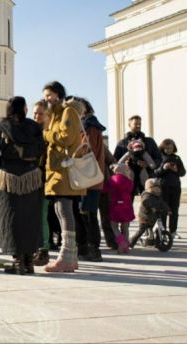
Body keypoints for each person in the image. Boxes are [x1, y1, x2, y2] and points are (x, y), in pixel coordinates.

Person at [0, 97, 45, 274]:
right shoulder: (34, 127)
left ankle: (18, 262)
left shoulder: (1, 127)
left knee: (10, 219)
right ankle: (29, 262)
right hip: (31, 178)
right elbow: (42, 148)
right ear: (24, 109)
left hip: (7, 179)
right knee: (31, 218)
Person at [42, 81, 86, 273]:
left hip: (65, 171)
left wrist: (46, 134)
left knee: (64, 211)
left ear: (58, 95)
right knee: (61, 211)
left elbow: (66, 137)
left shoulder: (68, 112)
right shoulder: (57, 114)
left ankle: (66, 257)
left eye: (49, 95)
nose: (47, 99)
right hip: (58, 171)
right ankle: (71, 257)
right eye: (45, 96)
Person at [73, 97, 105, 262]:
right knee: (88, 214)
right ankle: (89, 248)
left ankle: (92, 249)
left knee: (87, 215)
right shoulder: (92, 125)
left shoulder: (88, 126)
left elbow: (85, 150)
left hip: (87, 179)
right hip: (92, 178)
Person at [30, 99, 53, 265]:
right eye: (35, 114)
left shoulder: (50, 134)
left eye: (40, 114)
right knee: (33, 215)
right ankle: (34, 247)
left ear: (48, 115)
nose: (36, 117)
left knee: (42, 215)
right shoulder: (31, 133)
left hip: (46, 180)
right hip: (31, 179)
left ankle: (43, 249)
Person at [156, 139, 186, 239]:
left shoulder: (177, 158)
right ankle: (163, 232)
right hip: (162, 187)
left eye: (170, 148)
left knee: (174, 210)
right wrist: (163, 168)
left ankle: (173, 231)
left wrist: (176, 170)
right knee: (163, 211)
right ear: (162, 148)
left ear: (173, 148)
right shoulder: (159, 157)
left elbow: (183, 172)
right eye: (166, 148)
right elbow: (155, 172)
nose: (168, 150)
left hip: (175, 187)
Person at [129, 178, 170, 248]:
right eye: (155, 188)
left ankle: (157, 243)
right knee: (141, 231)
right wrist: (152, 207)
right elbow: (145, 201)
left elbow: (163, 203)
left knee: (156, 230)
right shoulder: (146, 195)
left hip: (153, 217)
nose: (157, 190)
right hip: (144, 217)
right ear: (149, 189)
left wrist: (168, 209)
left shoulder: (158, 197)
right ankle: (131, 242)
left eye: (158, 188)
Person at [107, 162, 136, 253]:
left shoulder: (112, 179)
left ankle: (121, 242)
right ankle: (126, 247)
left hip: (115, 205)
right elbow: (131, 190)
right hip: (127, 206)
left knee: (114, 226)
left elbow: (105, 189)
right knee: (125, 227)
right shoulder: (129, 181)